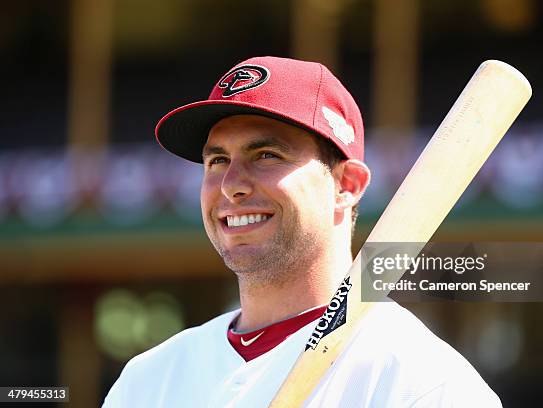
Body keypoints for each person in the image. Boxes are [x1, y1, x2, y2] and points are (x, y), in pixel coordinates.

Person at [103, 56, 501, 407]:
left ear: (346, 185)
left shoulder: (423, 384)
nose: (231, 184)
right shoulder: (147, 382)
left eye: (266, 155)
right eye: (217, 160)